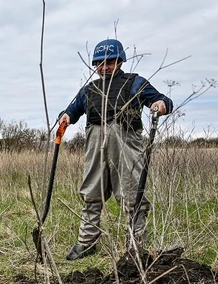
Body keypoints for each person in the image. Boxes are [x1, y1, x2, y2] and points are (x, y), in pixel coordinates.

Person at [58, 38, 173, 260]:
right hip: (94, 143)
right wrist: (66, 116)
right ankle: (87, 242)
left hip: (126, 143)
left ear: (120, 61)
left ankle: (135, 248)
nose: (105, 66)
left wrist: (160, 105)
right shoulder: (89, 90)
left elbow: (161, 99)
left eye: (110, 61)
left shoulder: (134, 83)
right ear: (95, 65)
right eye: (100, 63)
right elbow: (72, 110)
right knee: (91, 193)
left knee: (132, 195)